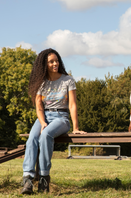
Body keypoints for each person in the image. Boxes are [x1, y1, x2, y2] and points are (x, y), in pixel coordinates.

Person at [21, 48, 86, 194]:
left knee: (46, 135)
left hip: (61, 118)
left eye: (56, 61)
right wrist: (43, 122)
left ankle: (44, 178)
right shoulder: (41, 83)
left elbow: (72, 104)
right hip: (43, 117)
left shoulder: (67, 80)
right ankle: (28, 180)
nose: (55, 63)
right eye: (51, 62)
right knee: (32, 138)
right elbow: (38, 106)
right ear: (44, 64)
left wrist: (76, 127)